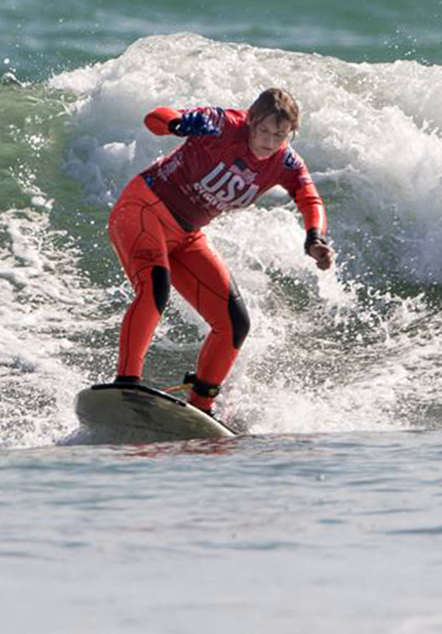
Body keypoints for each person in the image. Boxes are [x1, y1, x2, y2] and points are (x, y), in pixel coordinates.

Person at [107, 88, 334, 415]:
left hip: (187, 236)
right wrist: (176, 124)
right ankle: (126, 384)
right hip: (144, 208)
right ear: (251, 121)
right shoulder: (221, 124)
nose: (270, 141)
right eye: (264, 131)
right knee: (155, 287)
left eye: (280, 135)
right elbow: (154, 118)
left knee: (234, 323)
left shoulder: (285, 162)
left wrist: (314, 238)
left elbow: (310, 199)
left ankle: (201, 406)